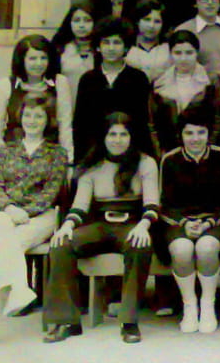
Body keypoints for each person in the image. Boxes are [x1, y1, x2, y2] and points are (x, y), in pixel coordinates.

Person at [43, 112, 158, 344]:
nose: (118, 140)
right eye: (112, 134)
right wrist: (67, 226)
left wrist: (143, 226)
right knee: (61, 244)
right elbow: (80, 206)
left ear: (131, 137)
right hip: (101, 225)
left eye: (123, 134)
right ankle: (67, 321)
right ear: (104, 137)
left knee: (140, 246)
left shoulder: (146, 163)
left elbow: (152, 204)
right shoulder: (92, 166)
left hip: (132, 224)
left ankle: (129, 322)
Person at [0, 96, 67, 353]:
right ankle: (19, 290)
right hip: (7, 214)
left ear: (47, 121)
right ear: (20, 119)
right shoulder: (4, 151)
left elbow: (51, 193)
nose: (32, 121)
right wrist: (10, 209)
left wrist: (25, 213)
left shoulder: (57, 153)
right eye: (28, 115)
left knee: (4, 247)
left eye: (39, 116)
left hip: (42, 217)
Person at [158, 108, 220, 334]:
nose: (195, 138)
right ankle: (189, 306)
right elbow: (164, 204)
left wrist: (209, 222)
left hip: (215, 223)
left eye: (201, 132)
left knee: (206, 248)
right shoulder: (170, 160)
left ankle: (208, 305)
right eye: (189, 133)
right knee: (182, 249)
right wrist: (184, 223)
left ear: (209, 133)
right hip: (179, 223)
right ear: (181, 135)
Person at [74, 16, 153, 163]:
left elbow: (141, 123)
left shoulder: (138, 78)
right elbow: (80, 124)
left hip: (130, 153)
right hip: (94, 154)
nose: (111, 48)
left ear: (126, 47)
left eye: (117, 43)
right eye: (106, 42)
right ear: (98, 47)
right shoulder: (88, 80)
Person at [0, 34, 73, 163]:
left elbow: (65, 123)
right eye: (32, 58)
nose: (39, 63)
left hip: (48, 155)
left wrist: (68, 157)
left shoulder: (60, 82)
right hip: (13, 155)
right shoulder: (6, 84)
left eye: (43, 58)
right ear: (22, 60)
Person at [149, 30, 220, 158]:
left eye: (189, 53)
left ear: (197, 53)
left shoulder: (211, 80)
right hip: (170, 152)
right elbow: (152, 124)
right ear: (170, 54)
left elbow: (219, 119)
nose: (183, 58)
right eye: (178, 53)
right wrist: (160, 154)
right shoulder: (159, 81)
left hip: (204, 151)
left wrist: (209, 151)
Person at [51, 3, 95, 106]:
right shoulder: (60, 50)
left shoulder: (102, 50)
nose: (81, 25)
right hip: (65, 106)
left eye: (87, 20)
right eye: (76, 20)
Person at [125, 0, 171, 83]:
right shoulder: (126, 46)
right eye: (147, 20)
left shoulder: (169, 48)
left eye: (157, 21)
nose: (151, 26)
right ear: (137, 21)